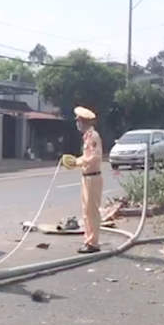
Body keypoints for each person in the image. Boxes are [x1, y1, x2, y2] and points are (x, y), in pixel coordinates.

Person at [69, 106, 104, 254]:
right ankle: (88, 240)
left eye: (78, 121)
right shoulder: (88, 137)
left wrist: (77, 162)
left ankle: (93, 243)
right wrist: (74, 161)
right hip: (87, 177)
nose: (77, 124)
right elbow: (86, 157)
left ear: (83, 122)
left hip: (93, 177)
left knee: (92, 212)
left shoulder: (93, 137)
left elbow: (94, 157)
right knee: (86, 212)